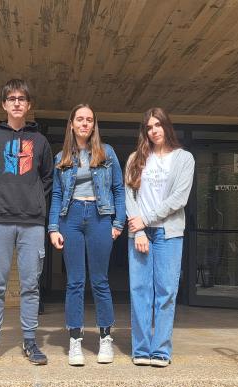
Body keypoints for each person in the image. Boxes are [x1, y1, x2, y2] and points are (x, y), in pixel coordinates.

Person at [0, 79, 54, 367]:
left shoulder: (40, 142)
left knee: (30, 285)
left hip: (32, 223)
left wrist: (33, 201)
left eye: (22, 98)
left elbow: (47, 178)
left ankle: (30, 341)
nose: (17, 103)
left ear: (29, 105)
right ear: (4, 104)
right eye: (12, 98)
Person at [48, 104, 125, 366]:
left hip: (99, 217)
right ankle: (75, 341)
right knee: (75, 282)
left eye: (89, 120)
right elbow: (57, 195)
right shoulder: (62, 157)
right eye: (79, 119)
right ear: (71, 124)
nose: (84, 124)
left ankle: (105, 339)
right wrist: (53, 227)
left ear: (94, 125)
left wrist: (118, 222)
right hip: (70, 219)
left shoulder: (107, 153)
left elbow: (118, 189)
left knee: (100, 281)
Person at [125, 107, 194, 368]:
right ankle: (141, 349)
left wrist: (147, 219)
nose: (154, 131)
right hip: (140, 234)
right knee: (140, 291)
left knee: (166, 292)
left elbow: (179, 198)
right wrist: (139, 229)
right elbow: (129, 197)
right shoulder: (135, 159)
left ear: (167, 126)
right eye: (149, 127)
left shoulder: (184, 158)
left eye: (158, 125)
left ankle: (161, 351)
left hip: (169, 233)